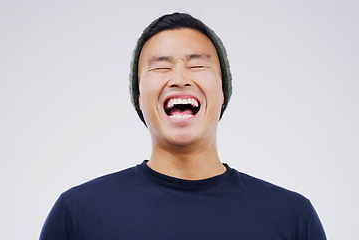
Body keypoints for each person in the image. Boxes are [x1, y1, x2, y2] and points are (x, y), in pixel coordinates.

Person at [40, 12, 327, 239]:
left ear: (222, 92)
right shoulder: (77, 213)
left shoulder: (292, 216)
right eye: (161, 66)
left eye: (197, 64)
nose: (179, 78)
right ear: (140, 98)